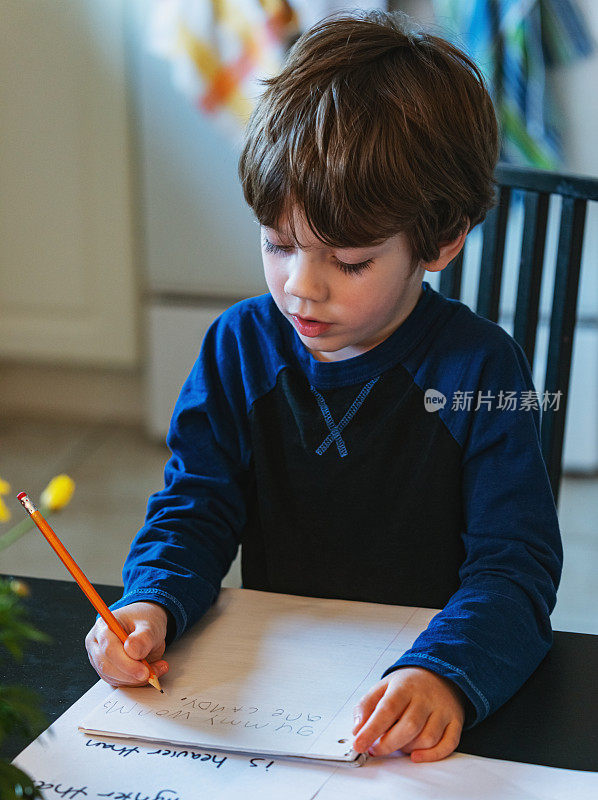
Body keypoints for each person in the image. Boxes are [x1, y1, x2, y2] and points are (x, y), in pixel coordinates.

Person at [86, 11, 562, 763]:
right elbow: (195, 506)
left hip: (422, 691)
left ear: (441, 243)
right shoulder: (238, 347)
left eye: (348, 261)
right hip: (280, 694)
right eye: (278, 244)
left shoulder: (482, 371)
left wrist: (443, 673)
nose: (300, 289)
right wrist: (150, 600)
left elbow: (515, 568)